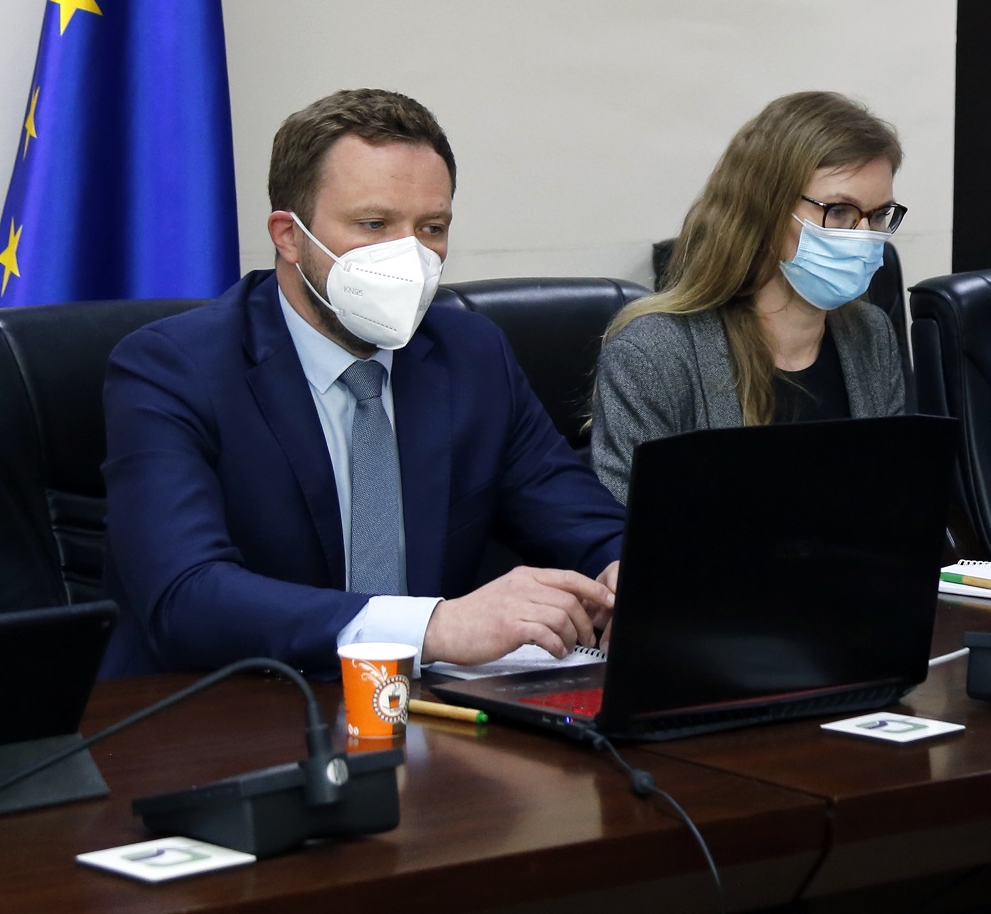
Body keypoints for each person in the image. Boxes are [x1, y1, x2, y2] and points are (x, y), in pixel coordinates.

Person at [100, 89, 627, 676]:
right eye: (374, 224)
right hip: (231, 705)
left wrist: (624, 571)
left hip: (432, 711)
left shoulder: (472, 355)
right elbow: (185, 597)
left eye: (431, 228)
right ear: (289, 235)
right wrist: (433, 627)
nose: (409, 256)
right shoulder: (172, 369)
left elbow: (583, 522)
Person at [587, 92, 910, 502]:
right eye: (840, 211)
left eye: (879, 215)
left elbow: (893, 499)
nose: (864, 238)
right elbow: (629, 528)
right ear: (766, 210)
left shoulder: (871, 334)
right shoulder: (653, 355)